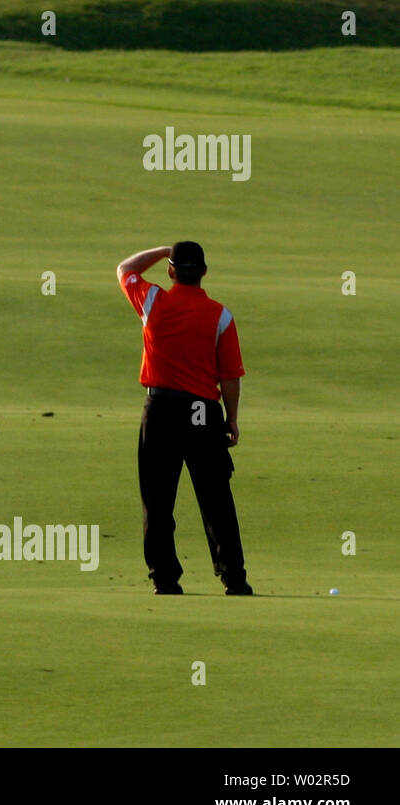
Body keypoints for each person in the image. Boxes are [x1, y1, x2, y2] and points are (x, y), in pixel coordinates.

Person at [116, 242, 253, 595]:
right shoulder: (220, 315)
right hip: (202, 414)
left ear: (171, 271)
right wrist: (232, 419)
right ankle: (234, 578)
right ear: (204, 272)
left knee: (158, 500)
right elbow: (230, 376)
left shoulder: (152, 302)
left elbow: (125, 268)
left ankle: (164, 579)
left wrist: (163, 251)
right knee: (216, 499)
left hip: (160, 410)